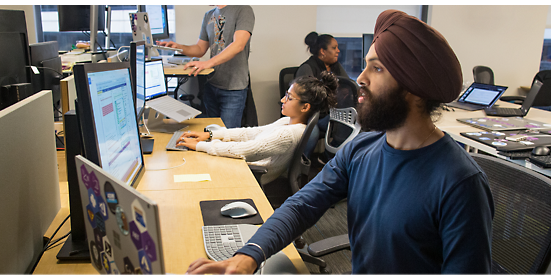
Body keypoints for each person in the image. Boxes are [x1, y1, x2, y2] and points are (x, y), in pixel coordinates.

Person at [185, 10, 495, 275]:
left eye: (376, 68)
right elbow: (301, 205)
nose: (360, 78)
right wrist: (248, 255)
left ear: (413, 88)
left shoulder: (460, 184)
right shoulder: (362, 148)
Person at [176, 72, 338, 185]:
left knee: (192, 166)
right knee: (197, 158)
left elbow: (246, 149)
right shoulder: (289, 122)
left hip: (254, 174)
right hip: (248, 166)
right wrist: (210, 135)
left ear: (305, 107)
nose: (282, 100)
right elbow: (251, 133)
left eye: (289, 97)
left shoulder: (289, 133)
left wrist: (199, 146)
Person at [156, 5, 255, 129]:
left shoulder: (243, 9)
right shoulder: (209, 15)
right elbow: (200, 48)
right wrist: (178, 47)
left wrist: (207, 63)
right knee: (211, 133)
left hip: (233, 88)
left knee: (227, 136)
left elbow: (239, 44)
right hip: (212, 84)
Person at [296, 32, 351, 160]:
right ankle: (301, 167)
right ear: (322, 51)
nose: (338, 51)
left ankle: (327, 157)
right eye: (334, 48)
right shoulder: (307, 68)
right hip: (311, 116)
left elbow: (349, 87)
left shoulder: (335, 67)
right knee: (312, 133)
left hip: (329, 115)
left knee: (349, 123)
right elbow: (307, 97)